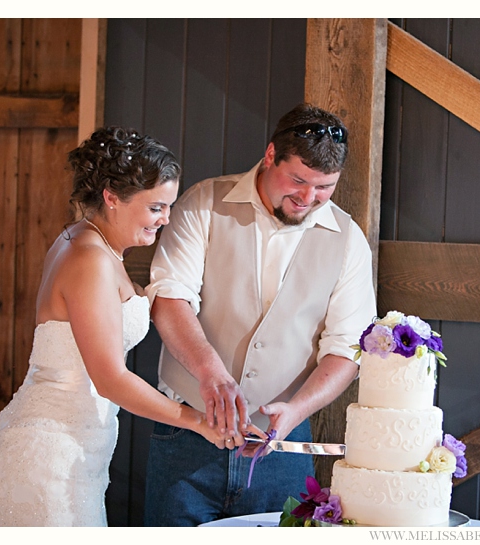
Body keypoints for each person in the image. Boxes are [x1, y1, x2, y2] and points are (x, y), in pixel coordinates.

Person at [0, 127, 255, 526]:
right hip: (52, 449)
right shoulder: (90, 260)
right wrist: (197, 422)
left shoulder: (89, 241)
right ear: (112, 198)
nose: (166, 220)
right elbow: (110, 380)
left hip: (79, 445)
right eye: (156, 207)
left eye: (169, 207)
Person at [144, 104, 377, 526]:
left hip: (283, 449)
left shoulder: (349, 241)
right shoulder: (204, 203)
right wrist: (210, 374)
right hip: (186, 435)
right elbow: (169, 298)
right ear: (270, 156)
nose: (309, 198)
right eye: (298, 180)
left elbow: (347, 350)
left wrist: (297, 411)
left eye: (324, 187)